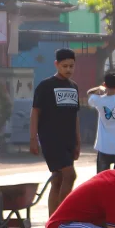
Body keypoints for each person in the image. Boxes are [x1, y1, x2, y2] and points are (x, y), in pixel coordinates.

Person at [30, 48, 81, 215]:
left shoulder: (74, 87)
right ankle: (64, 216)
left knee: (58, 180)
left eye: (71, 66)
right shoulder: (46, 86)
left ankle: (52, 220)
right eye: (64, 66)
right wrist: (33, 138)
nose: (68, 70)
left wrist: (78, 141)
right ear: (56, 65)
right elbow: (35, 111)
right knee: (70, 175)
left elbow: (75, 116)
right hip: (51, 139)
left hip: (68, 140)